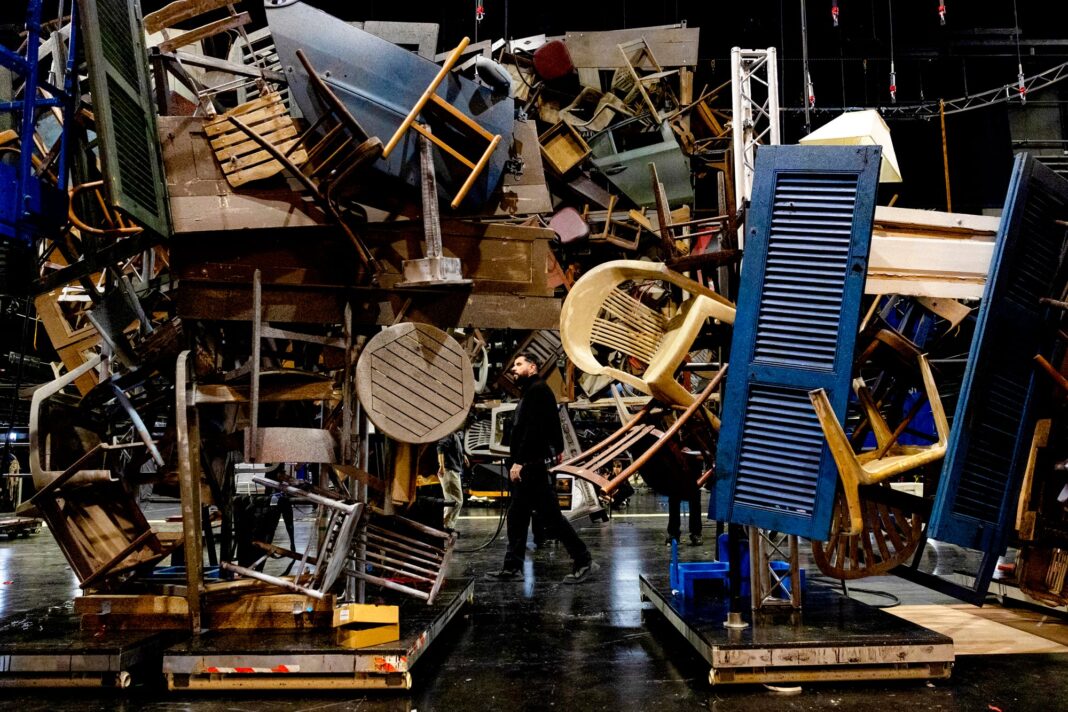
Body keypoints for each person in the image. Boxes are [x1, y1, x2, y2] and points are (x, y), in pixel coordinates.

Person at [488, 352, 598, 583]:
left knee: (550, 518)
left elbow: (534, 430)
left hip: (531, 467)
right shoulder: (531, 391)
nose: (514, 369)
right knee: (518, 517)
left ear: (533, 366)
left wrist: (521, 461)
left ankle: (584, 560)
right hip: (529, 466)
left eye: (519, 364)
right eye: (513, 365)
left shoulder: (538, 391)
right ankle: (513, 567)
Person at [436, 429, 466, 531]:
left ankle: (448, 525)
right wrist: (441, 466)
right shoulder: (448, 434)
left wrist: (463, 456)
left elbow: (453, 449)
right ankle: (447, 525)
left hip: (453, 471)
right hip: (449, 472)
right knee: (454, 501)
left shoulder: (454, 435)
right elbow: (440, 447)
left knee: (456, 501)